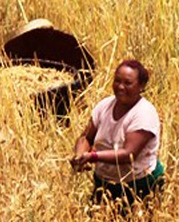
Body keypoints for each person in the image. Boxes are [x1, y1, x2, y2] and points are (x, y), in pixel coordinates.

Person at [70, 59, 165, 204]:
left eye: (127, 83)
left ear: (141, 86)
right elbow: (86, 137)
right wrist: (79, 156)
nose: (120, 87)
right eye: (117, 81)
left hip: (138, 185)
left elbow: (129, 154)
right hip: (106, 184)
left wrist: (93, 157)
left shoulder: (144, 114)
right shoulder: (104, 106)